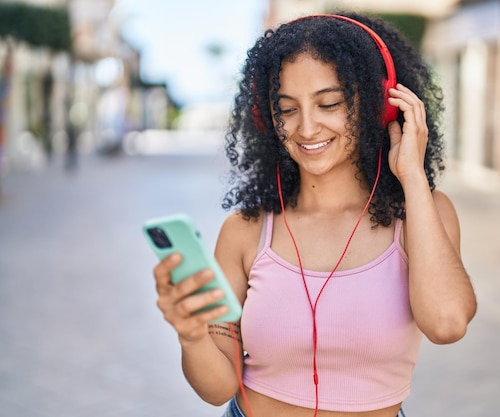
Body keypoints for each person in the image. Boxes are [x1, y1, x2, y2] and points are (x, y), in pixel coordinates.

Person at [152, 12, 477, 417]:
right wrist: (190, 335)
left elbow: (447, 323)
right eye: (286, 109)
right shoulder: (246, 230)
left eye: (329, 103)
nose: (306, 128)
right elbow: (218, 389)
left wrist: (411, 176)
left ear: (380, 105)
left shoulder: (421, 214)